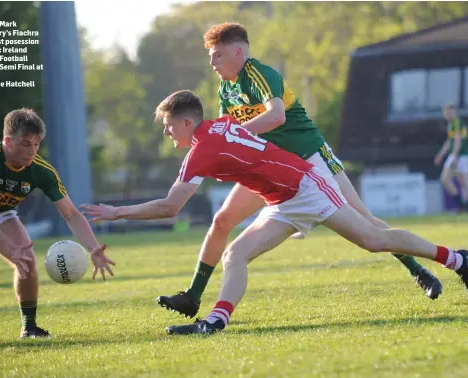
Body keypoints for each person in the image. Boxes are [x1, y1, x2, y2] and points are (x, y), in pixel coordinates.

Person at [81, 90, 468, 335]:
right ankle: (215, 322)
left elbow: (171, 207)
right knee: (235, 253)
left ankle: (456, 259)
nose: (167, 133)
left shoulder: (202, 149)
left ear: (187, 122)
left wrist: (115, 214)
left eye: (169, 126)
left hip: (307, 186)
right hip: (282, 200)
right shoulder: (216, 128)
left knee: (374, 239)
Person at [157, 22, 441, 318]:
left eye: (217, 55)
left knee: (366, 222)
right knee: (222, 220)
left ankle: (418, 270)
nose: (212, 62)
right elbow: (225, 132)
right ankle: (193, 295)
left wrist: (235, 137)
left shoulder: (258, 73)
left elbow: (276, 116)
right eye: (210, 56)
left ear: (238, 52)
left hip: (311, 157)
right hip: (272, 168)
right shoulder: (226, 87)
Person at [0, 108, 115, 339]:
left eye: (36, 144)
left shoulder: (42, 170)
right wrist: (9, 250)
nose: (32, 151)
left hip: (1, 213)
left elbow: (70, 214)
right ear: (8, 141)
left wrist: (93, 248)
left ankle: (29, 327)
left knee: (27, 262)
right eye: (25, 144)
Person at [434, 104, 468, 213]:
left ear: (454, 112)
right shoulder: (451, 124)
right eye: (445, 112)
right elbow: (449, 141)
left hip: (461, 155)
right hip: (456, 154)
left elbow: (458, 140)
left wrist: (454, 156)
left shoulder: (457, 123)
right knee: (449, 180)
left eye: (449, 112)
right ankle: (463, 205)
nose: (447, 114)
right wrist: (441, 154)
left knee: (461, 181)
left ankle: (466, 207)